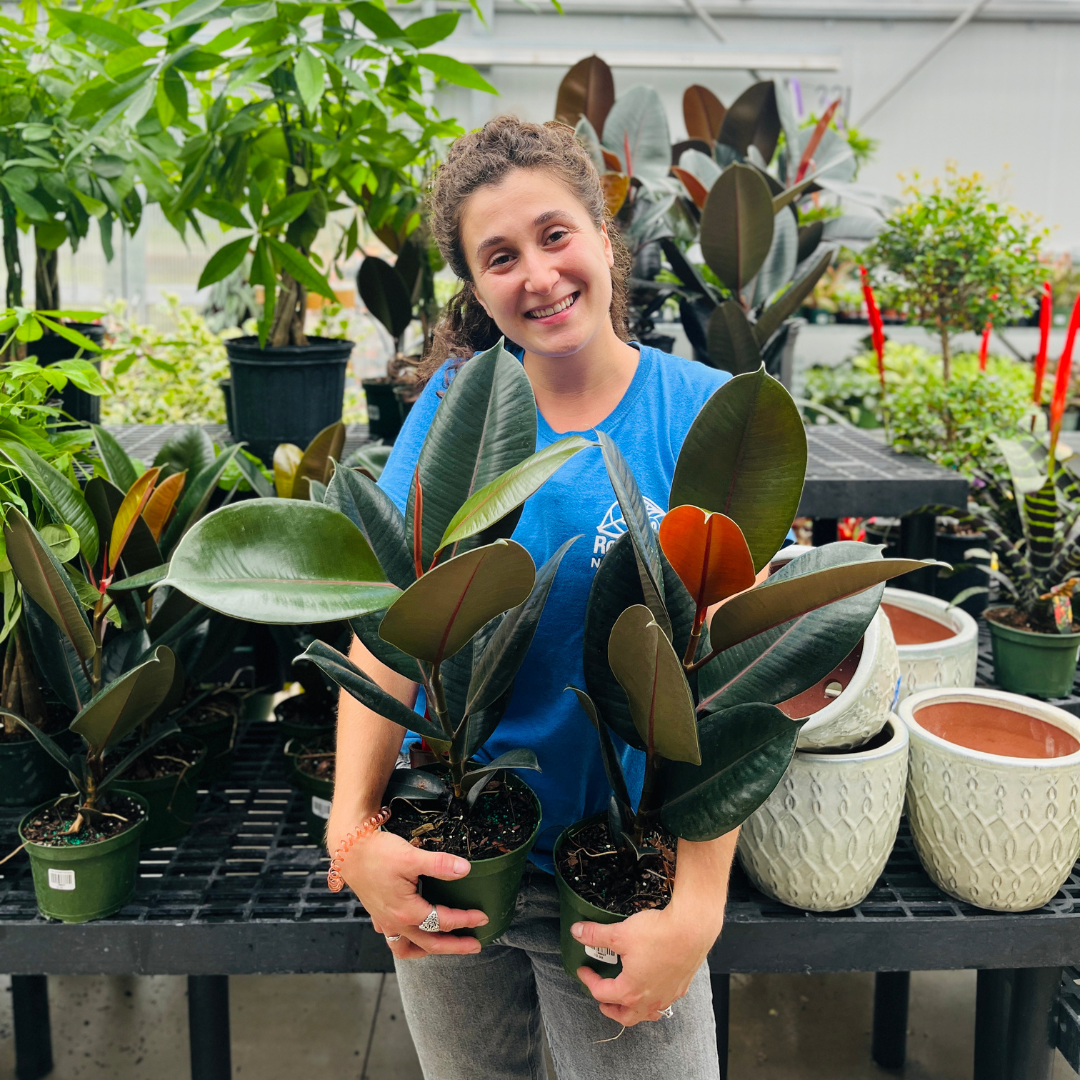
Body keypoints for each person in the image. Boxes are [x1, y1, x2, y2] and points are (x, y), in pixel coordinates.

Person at [328, 116, 746, 1080]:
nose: (539, 275)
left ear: (604, 236)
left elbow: (731, 681)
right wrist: (350, 833)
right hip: (458, 849)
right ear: (476, 288)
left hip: (627, 871)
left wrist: (698, 906)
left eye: (556, 235)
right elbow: (393, 634)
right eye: (500, 256)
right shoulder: (457, 410)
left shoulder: (704, 412)